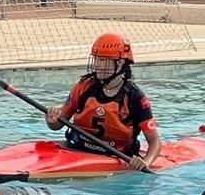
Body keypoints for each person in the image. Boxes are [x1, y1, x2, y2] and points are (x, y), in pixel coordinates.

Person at [44, 32, 162, 170]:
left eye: (103, 60)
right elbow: (57, 125)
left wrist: (146, 162)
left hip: (115, 156)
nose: (97, 65)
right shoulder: (84, 86)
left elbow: (155, 143)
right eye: (96, 59)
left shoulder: (135, 97)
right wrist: (50, 119)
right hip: (77, 148)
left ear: (120, 62)